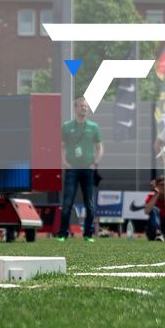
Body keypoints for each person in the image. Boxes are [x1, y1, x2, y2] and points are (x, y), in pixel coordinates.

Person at [57, 96, 102, 239]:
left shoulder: (93, 127)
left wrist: (95, 162)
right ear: (75, 108)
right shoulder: (67, 126)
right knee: (67, 202)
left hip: (88, 169)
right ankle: (63, 233)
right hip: (72, 169)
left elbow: (99, 147)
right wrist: (64, 162)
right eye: (82, 106)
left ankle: (88, 234)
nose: (84, 108)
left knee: (90, 204)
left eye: (86, 107)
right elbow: (61, 146)